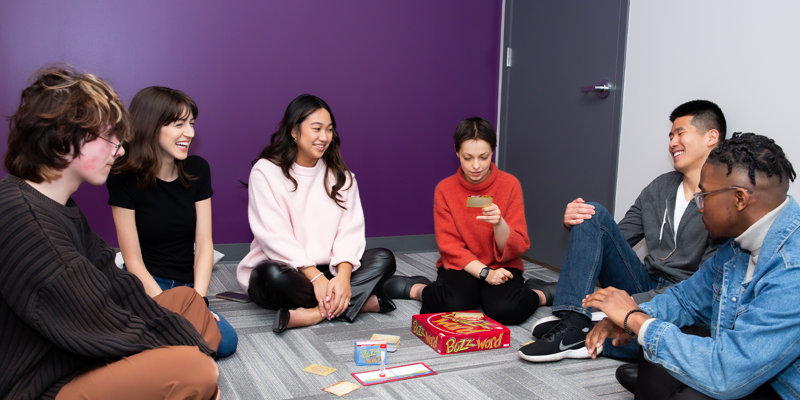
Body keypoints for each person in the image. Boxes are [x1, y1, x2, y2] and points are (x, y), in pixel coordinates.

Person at [0, 67, 219, 399]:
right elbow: (102, 322)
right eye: (110, 138)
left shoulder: (59, 205)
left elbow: (117, 285)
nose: (119, 150)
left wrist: (184, 344)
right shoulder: (26, 220)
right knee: (194, 370)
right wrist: (191, 361)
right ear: (63, 140)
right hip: (45, 382)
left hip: (82, 347)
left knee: (187, 301)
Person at [584, 132, 795, 400]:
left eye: (704, 195)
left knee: (680, 378)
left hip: (772, 386)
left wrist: (635, 319)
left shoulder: (793, 268)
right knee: (659, 352)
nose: (699, 206)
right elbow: (686, 299)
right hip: (738, 366)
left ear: (740, 199)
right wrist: (628, 319)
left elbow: (726, 373)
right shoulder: (737, 243)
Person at [518, 100, 727, 363]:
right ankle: (574, 322)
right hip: (645, 281)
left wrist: (613, 306)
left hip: (684, 299)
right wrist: (577, 223)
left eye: (680, 133)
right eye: (670, 135)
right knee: (592, 213)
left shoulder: (723, 202)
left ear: (711, 137)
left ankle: (592, 330)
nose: (673, 142)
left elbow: (702, 291)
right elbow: (611, 237)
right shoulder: (660, 187)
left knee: (684, 334)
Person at [236, 94, 396, 333]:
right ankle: (358, 303)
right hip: (291, 271)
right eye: (317, 129)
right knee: (269, 277)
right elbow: (274, 235)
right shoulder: (266, 171)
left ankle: (314, 313)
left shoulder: (342, 176)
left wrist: (342, 278)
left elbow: (350, 232)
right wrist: (315, 278)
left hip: (329, 270)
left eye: (329, 130)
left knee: (384, 258)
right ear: (294, 131)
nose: (324, 137)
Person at [107, 86, 238, 358]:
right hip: (145, 283)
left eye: (191, 124)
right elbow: (133, 261)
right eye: (179, 124)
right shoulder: (122, 177)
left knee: (225, 342)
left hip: (186, 285)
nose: (189, 133)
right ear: (151, 127)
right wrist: (166, 306)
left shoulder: (198, 169)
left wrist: (198, 302)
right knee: (130, 337)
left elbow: (203, 244)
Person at [383, 117, 552, 325]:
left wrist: (500, 224)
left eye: (483, 157)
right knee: (455, 306)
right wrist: (485, 273)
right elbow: (450, 247)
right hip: (462, 267)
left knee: (506, 310)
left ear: (493, 151)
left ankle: (541, 293)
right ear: (456, 152)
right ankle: (418, 289)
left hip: (502, 265)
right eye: (467, 157)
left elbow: (518, 245)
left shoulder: (510, 185)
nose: (476, 166)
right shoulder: (445, 189)